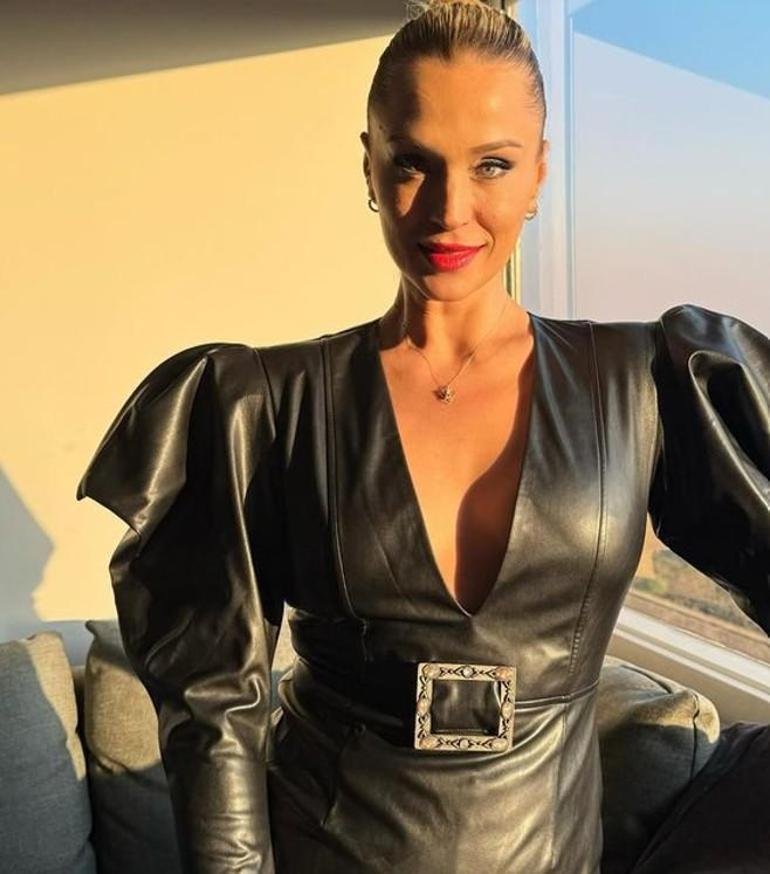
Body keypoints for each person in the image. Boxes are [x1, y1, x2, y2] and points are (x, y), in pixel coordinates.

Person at [75, 1, 770, 872]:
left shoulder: (646, 386)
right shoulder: (262, 405)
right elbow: (213, 712)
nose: (450, 209)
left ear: (539, 171)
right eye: (413, 162)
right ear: (369, 166)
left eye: (492, 164)